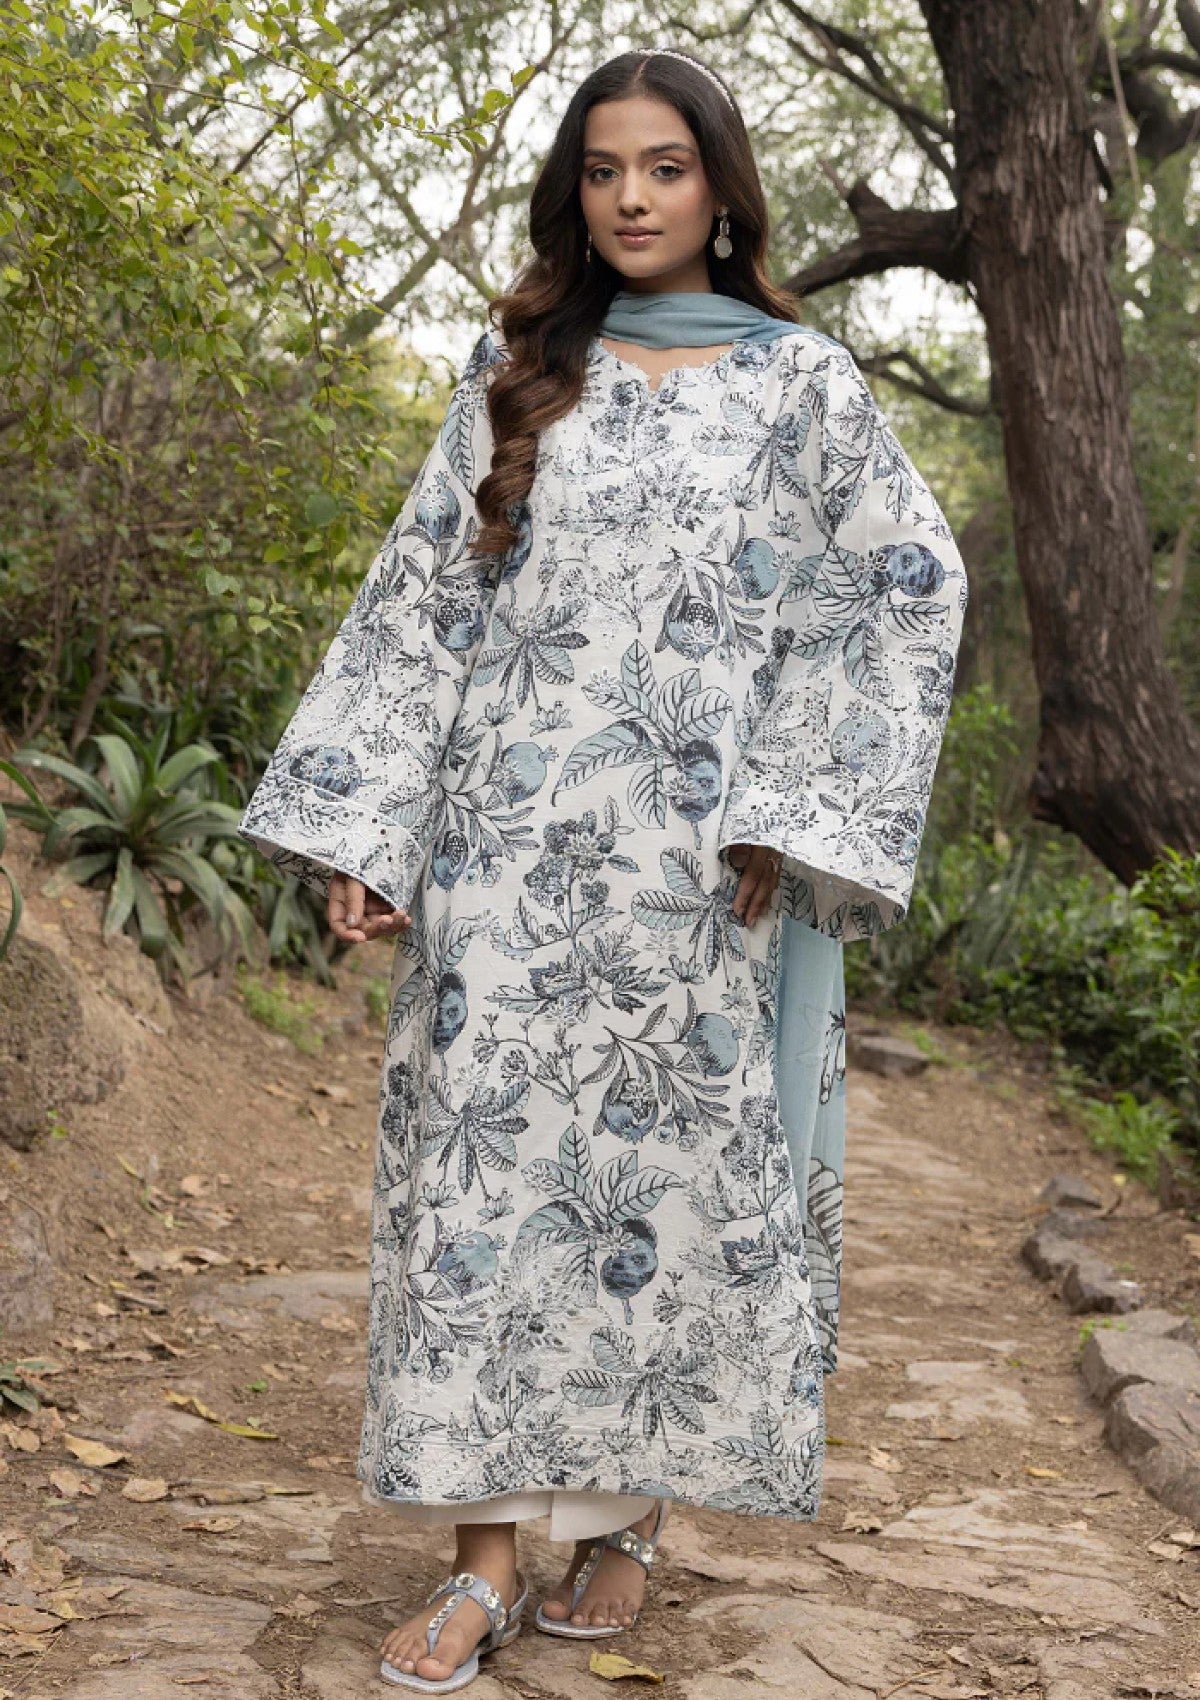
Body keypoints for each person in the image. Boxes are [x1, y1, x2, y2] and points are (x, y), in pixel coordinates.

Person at [238, 44, 968, 1694]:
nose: (632, 198)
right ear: (575, 192)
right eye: (603, 169)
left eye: (665, 167)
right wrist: (370, 827)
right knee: (480, 1193)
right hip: (499, 857)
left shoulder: (802, 387)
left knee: (656, 1197)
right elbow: (425, 598)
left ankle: (625, 1521)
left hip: (696, 876)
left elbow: (904, 588)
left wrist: (787, 808)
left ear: (722, 191)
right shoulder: (520, 371)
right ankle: (482, 1560)